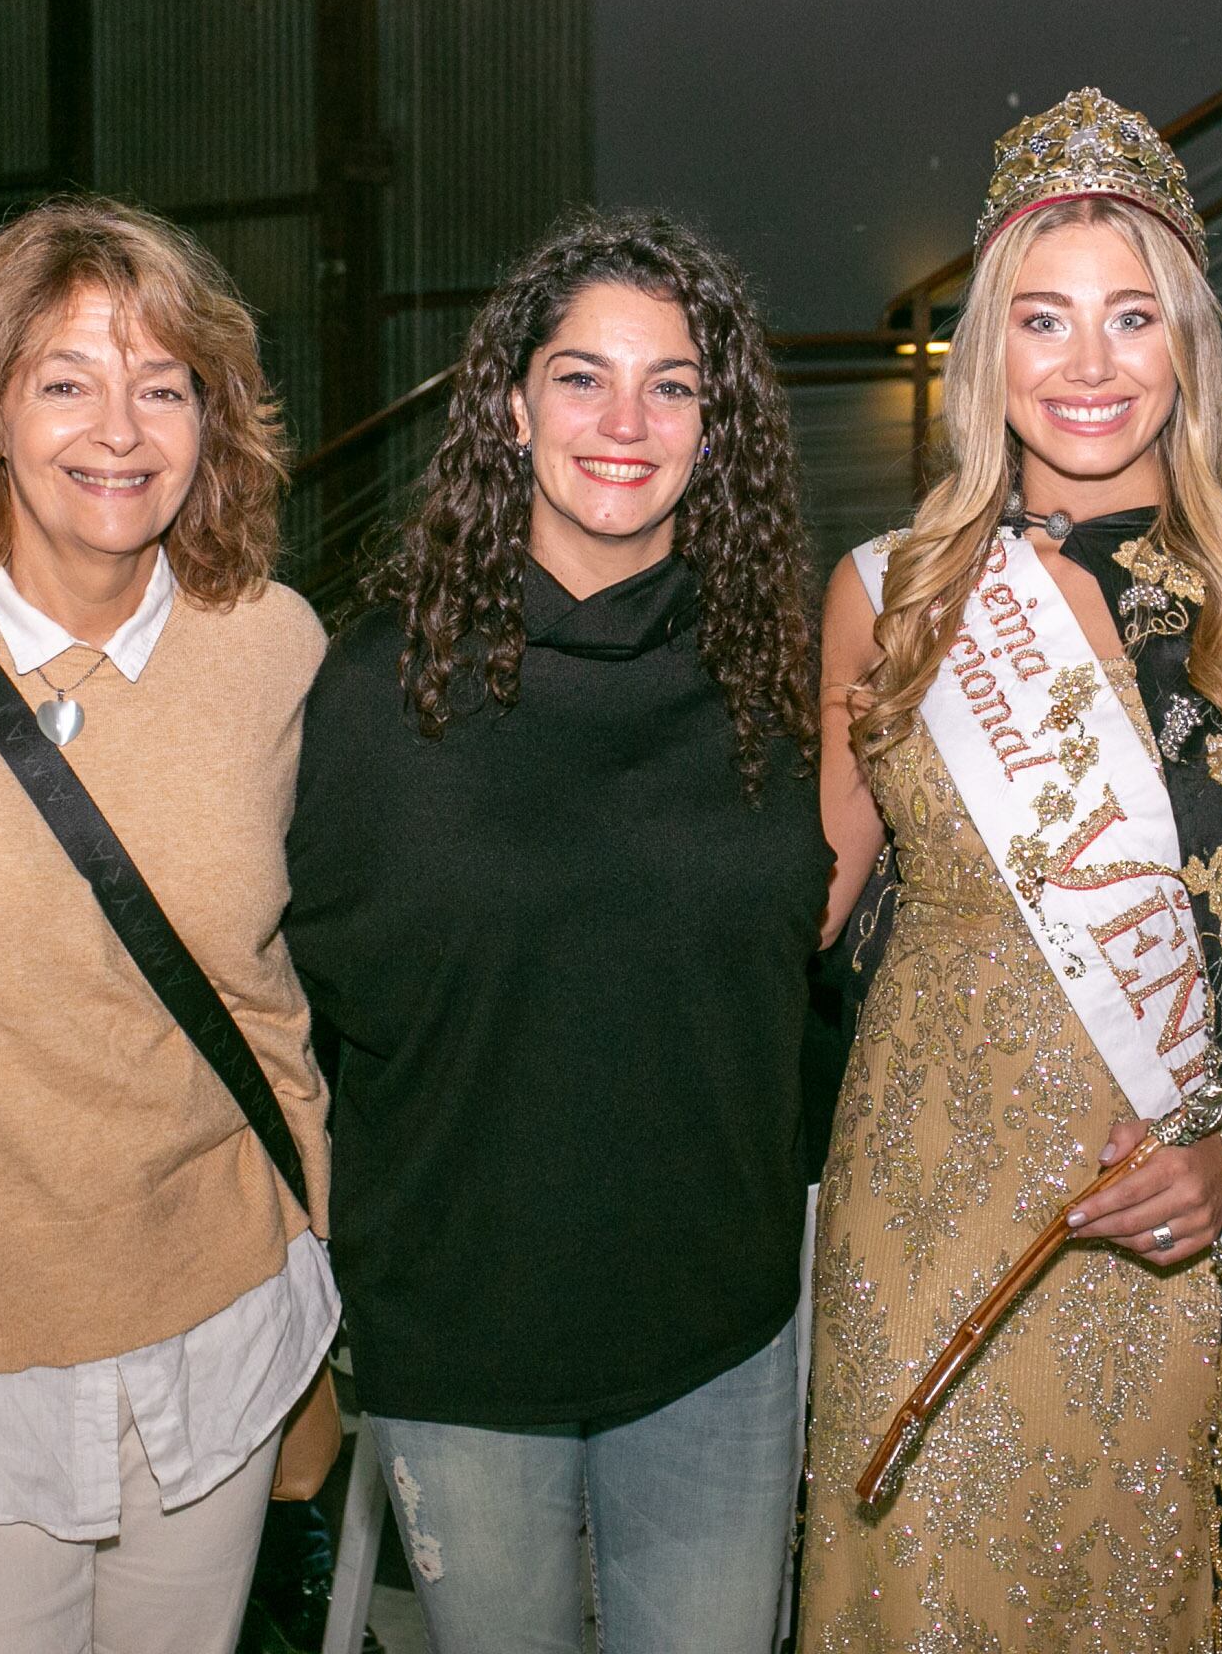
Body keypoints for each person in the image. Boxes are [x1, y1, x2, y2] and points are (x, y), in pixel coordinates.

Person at [799, 89, 1222, 1650]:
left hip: (1173, 1217)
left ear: (1192, 351)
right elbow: (802, 914)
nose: (1088, 367)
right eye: (1043, 319)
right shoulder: (885, 596)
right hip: (925, 1207)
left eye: (1132, 317)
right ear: (986, 357)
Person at [0, 199, 334, 1654]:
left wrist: (319, 1266)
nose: (121, 428)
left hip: (219, 1330)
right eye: (66, 380)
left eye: (164, 386)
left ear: (213, 423)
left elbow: (282, 998)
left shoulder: (274, 645)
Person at [283, 209, 828, 1654]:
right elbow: (311, 1000)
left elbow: (820, 987)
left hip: (720, 1331)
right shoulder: (379, 691)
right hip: (462, 1337)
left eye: (675, 385)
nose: (626, 421)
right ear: (513, 409)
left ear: (718, 432)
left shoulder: (781, 688)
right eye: (584, 376)